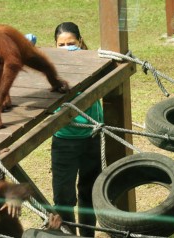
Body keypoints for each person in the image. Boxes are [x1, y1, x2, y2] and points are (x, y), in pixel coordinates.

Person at [51, 22, 103, 237]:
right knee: (64, 198)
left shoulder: (92, 62)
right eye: (61, 45)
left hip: (91, 136)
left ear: (80, 42)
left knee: (89, 193)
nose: (66, 48)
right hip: (64, 140)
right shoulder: (50, 68)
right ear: (54, 46)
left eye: (70, 44)